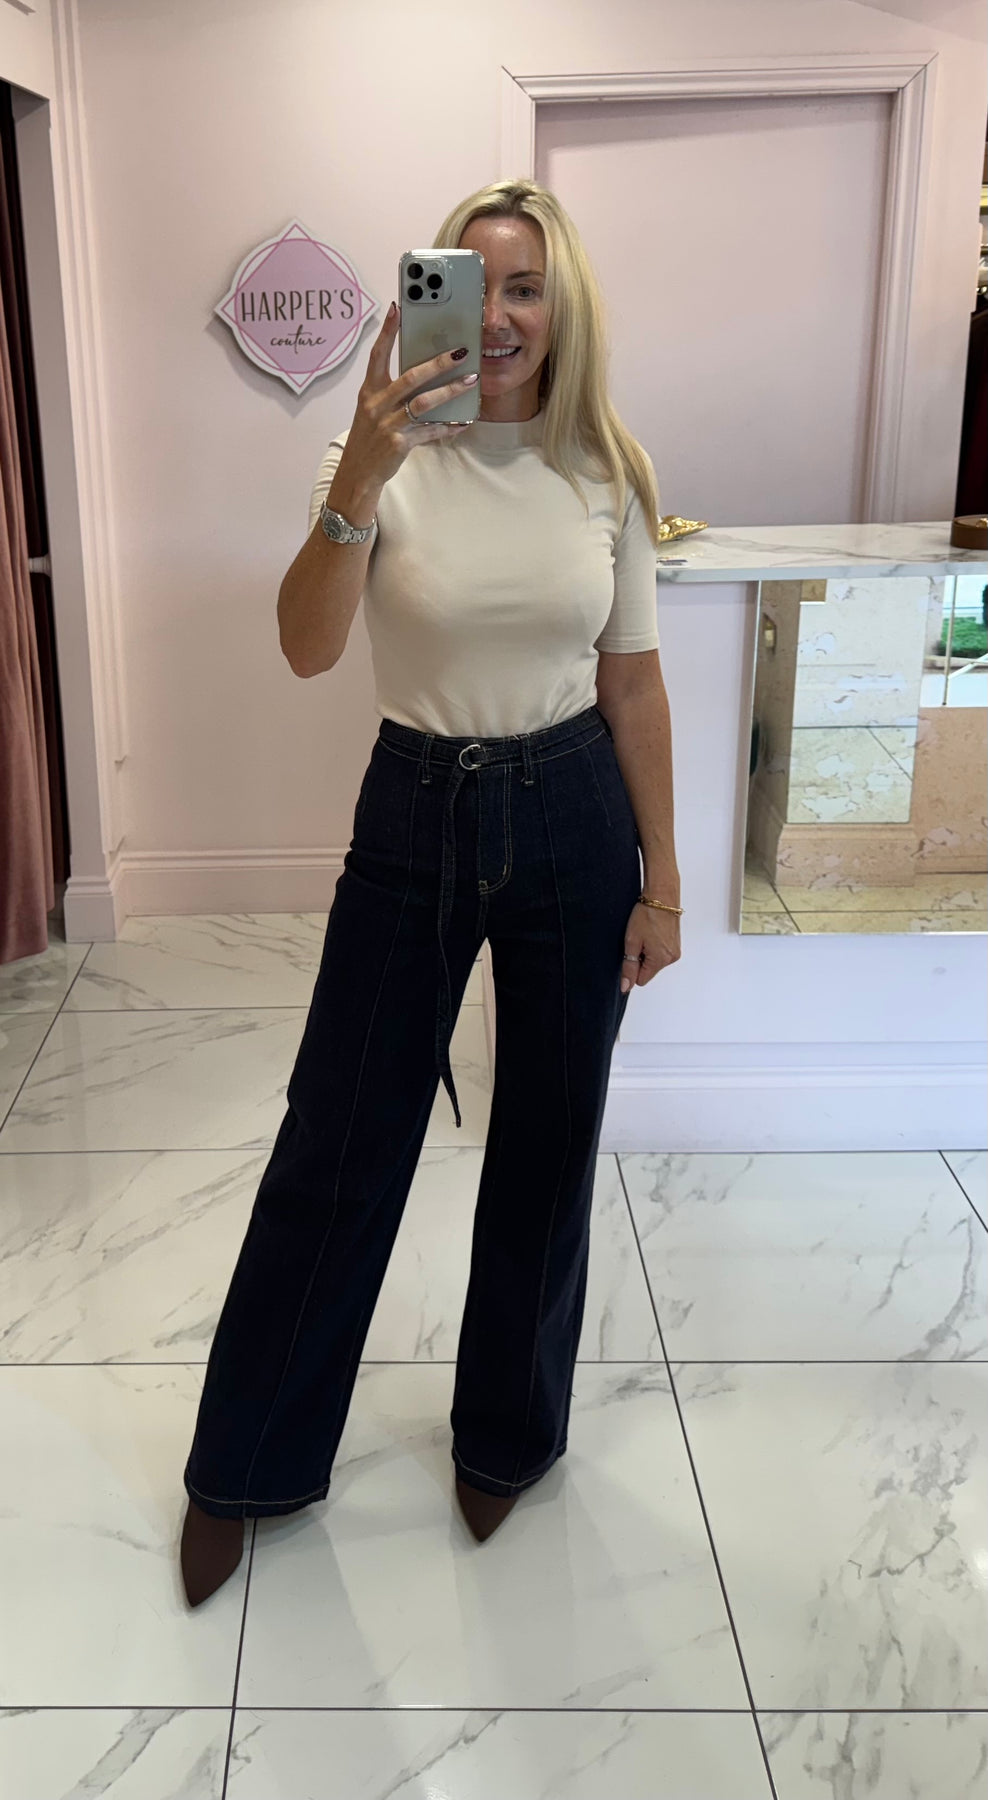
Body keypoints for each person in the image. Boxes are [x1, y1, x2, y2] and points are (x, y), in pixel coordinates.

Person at [179, 178, 682, 1608]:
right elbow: (304, 647)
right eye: (475, 283)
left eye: (527, 286)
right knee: (338, 1136)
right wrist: (355, 478)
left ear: (562, 308)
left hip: (574, 805)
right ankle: (253, 1458)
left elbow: (635, 685)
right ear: (429, 299)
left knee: (549, 1138)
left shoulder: (606, 470)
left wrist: (666, 883)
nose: (501, 315)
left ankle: (507, 1434)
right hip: (415, 802)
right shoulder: (381, 453)